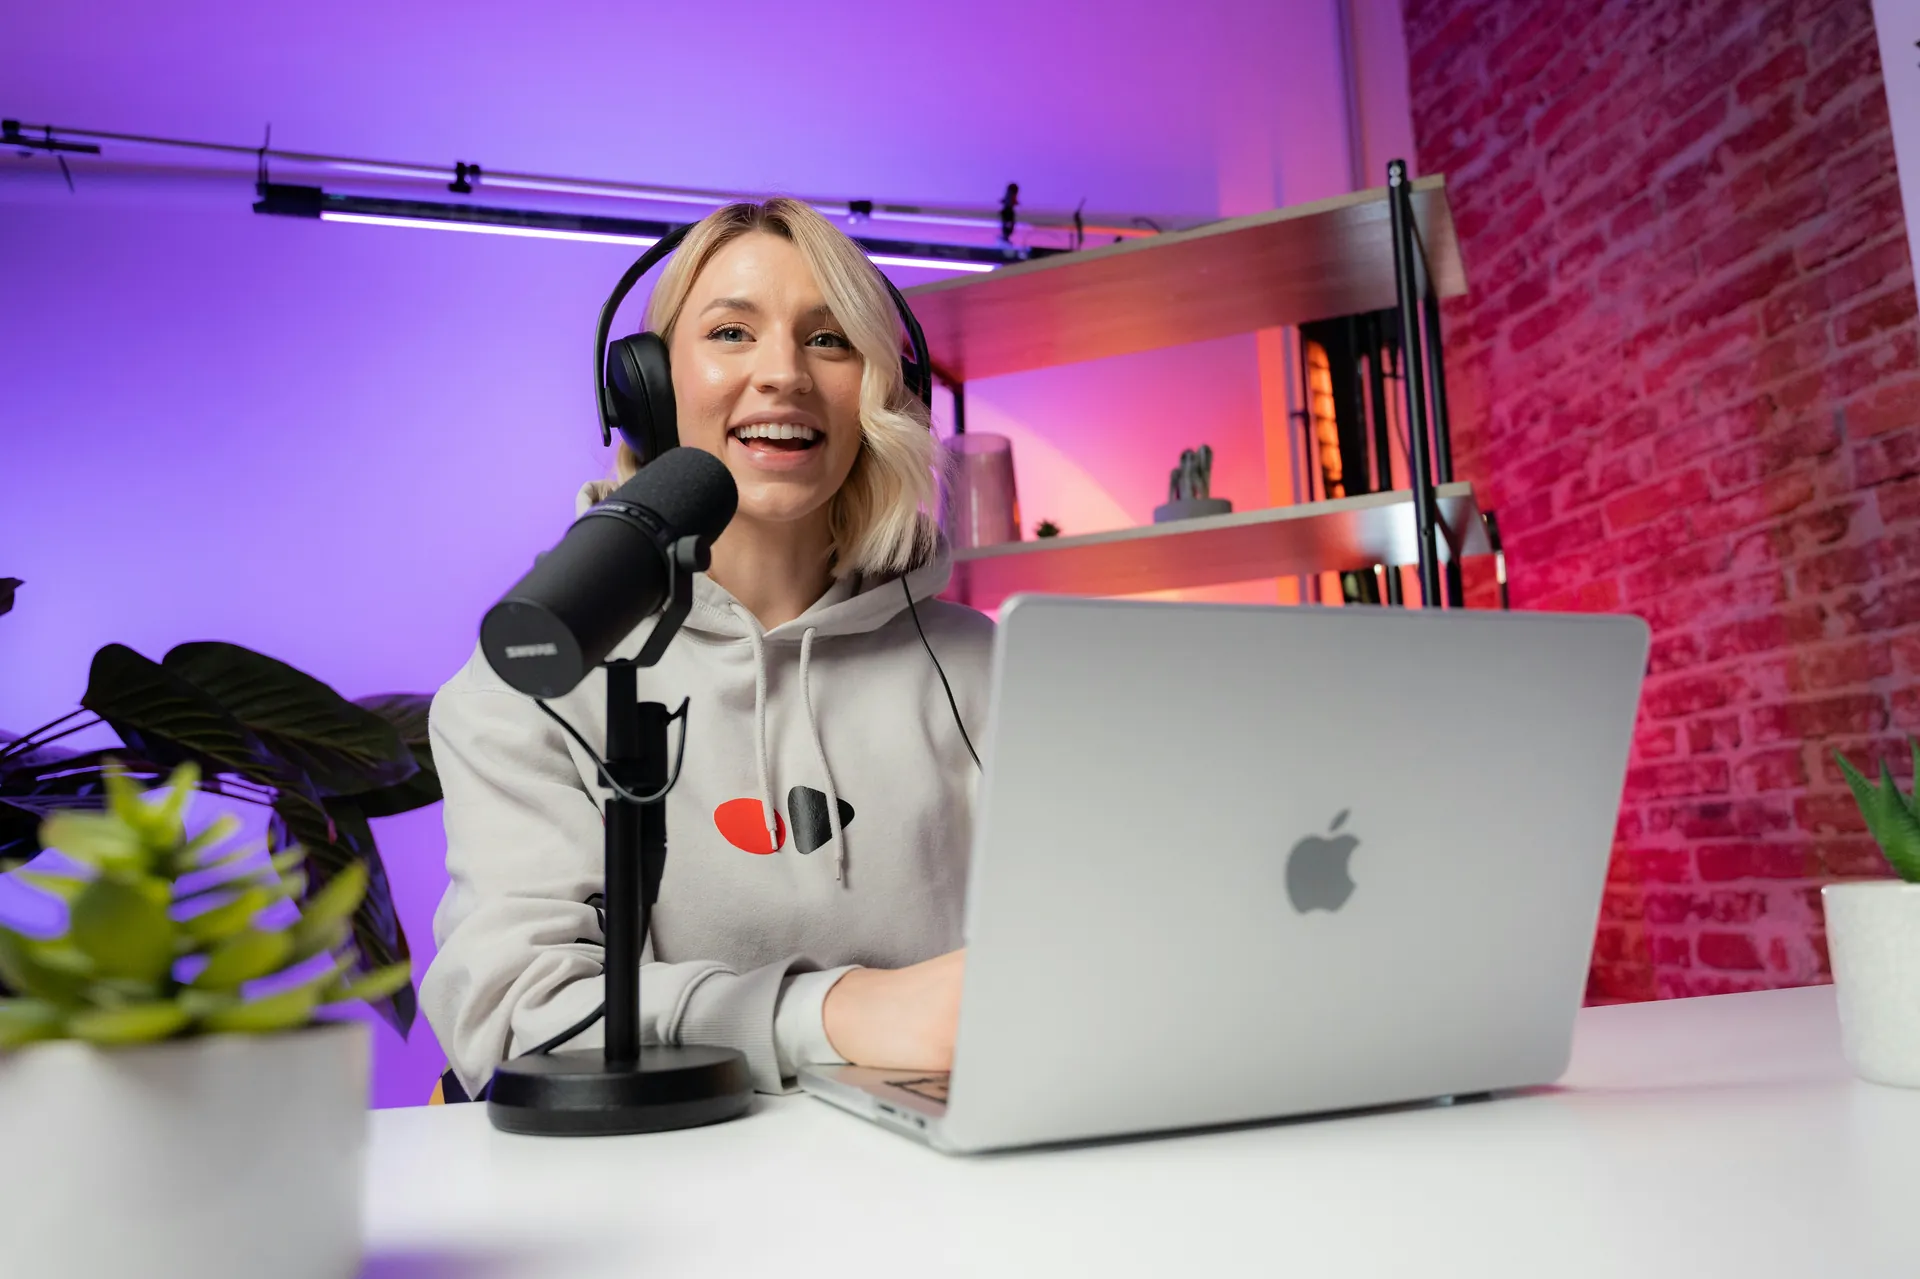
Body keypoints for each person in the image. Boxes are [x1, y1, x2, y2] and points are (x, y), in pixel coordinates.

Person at [420, 198, 992, 1100]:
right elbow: (513, 1017)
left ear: (883, 391)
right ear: (647, 386)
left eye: (830, 339)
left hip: (950, 1162)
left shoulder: (991, 672)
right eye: (732, 332)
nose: (784, 374)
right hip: (668, 1170)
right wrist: (835, 1013)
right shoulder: (534, 679)